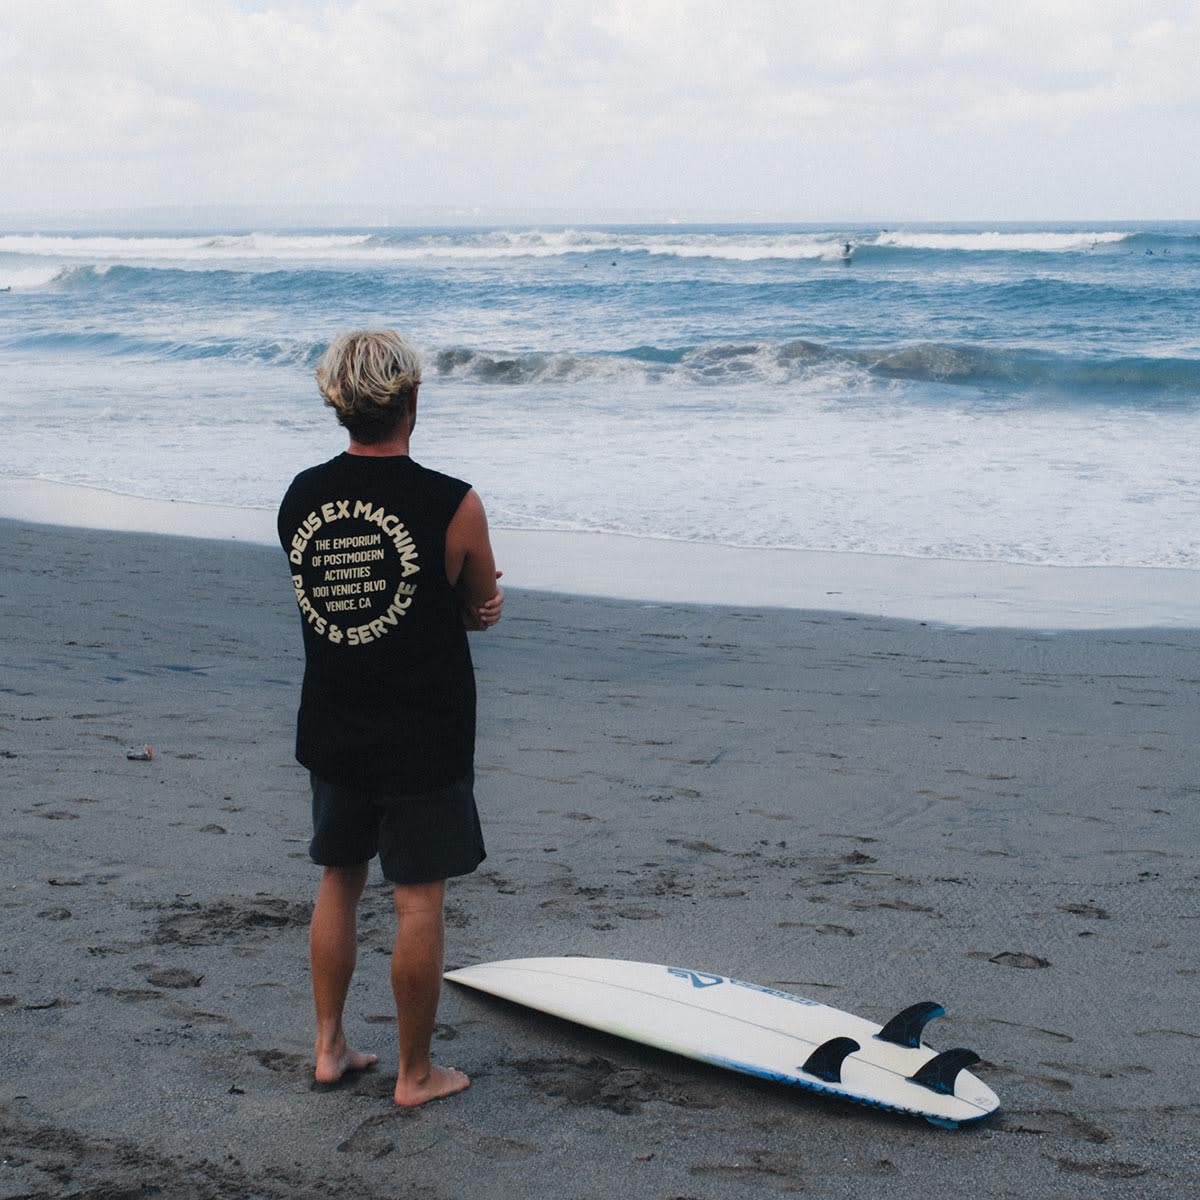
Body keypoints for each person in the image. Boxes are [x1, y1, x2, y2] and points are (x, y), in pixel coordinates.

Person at [277, 329, 503, 1107]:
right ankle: (414, 1073)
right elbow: (476, 603)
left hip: (335, 719)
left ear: (337, 402)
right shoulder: (452, 502)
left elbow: (343, 597)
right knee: (417, 899)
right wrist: (477, 610)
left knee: (339, 880)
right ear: (412, 399)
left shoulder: (300, 497)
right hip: (423, 728)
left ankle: (328, 1046)